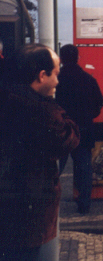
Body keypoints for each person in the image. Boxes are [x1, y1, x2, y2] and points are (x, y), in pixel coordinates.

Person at [0, 44, 79, 261]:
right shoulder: (41, 112)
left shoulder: (8, 99)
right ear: (42, 76)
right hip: (28, 220)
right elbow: (69, 137)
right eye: (55, 75)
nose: (57, 82)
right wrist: (52, 105)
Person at [56, 44, 103, 215]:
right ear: (77, 58)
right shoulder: (88, 79)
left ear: (61, 59)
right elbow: (99, 102)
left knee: (55, 168)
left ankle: (49, 204)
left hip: (61, 131)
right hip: (84, 129)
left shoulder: (56, 79)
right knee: (84, 168)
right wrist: (88, 115)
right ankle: (84, 205)